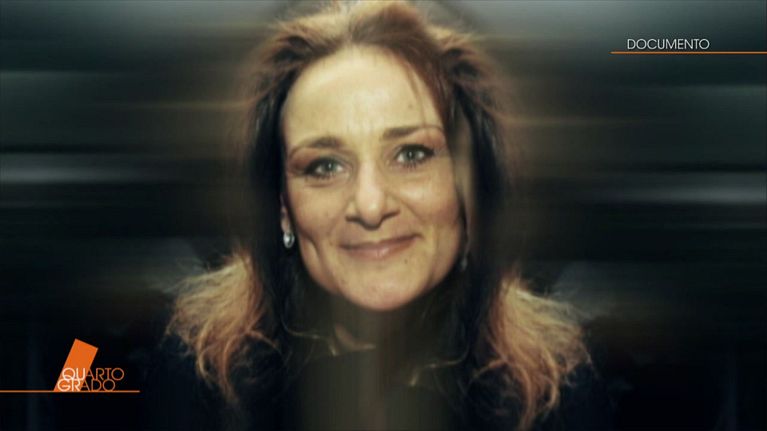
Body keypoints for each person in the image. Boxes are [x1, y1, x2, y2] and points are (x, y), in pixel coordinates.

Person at [144, 2, 612, 430]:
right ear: (283, 208)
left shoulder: (554, 394)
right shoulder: (200, 377)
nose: (369, 205)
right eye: (325, 167)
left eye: (412, 154)